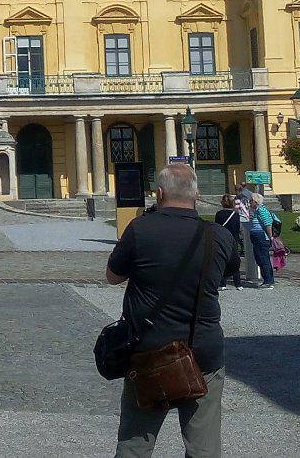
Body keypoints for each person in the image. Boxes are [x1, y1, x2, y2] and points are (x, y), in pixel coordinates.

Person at [105, 163, 235, 457]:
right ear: (197, 194)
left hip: (150, 352)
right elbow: (227, 271)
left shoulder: (140, 229)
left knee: (134, 445)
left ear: (159, 193)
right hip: (203, 352)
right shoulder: (217, 236)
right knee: (204, 447)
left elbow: (113, 277)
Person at [212, 195, 244, 291]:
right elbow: (238, 228)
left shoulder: (219, 214)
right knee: (235, 261)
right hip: (233, 239)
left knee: (222, 261)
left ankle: (222, 283)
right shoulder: (236, 214)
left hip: (222, 239)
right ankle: (238, 283)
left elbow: (217, 227)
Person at [247, 192, 276, 288]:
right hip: (257, 237)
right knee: (260, 258)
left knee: (263, 259)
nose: (250, 203)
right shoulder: (257, 210)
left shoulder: (262, 210)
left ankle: (268, 281)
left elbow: (268, 224)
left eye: (251, 201)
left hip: (261, 237)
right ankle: (268, 279)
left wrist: (270, 236)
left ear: (255, 201)